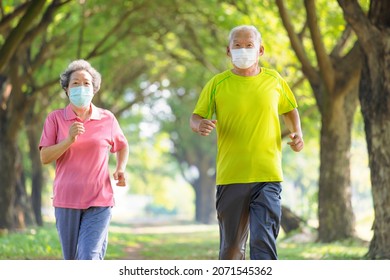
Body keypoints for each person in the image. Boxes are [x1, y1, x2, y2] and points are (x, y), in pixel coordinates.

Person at [190, 25, 304, 260]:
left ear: (260, 50)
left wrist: (297, 134)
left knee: (264, 242)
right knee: (231, 250)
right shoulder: (217, 84)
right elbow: (196, 116)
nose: (243, 50)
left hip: (268, 176)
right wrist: (199, 125)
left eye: (249, 45)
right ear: (228, 51)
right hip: (231, 176)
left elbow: (290, 110)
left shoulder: (274, 80)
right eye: (237, 45)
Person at [39, 59, 129, 260]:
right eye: (75, 83)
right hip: (66, 199)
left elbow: (122, 146)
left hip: (99, 199)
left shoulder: (107, 118)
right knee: (72, 260)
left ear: (94, 89)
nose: (81, 87)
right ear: (66, 89)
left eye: (86, 83)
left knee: (89, 257)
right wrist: (69, 140)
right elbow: (45, 157)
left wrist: (120, 168)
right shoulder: (55, 119)